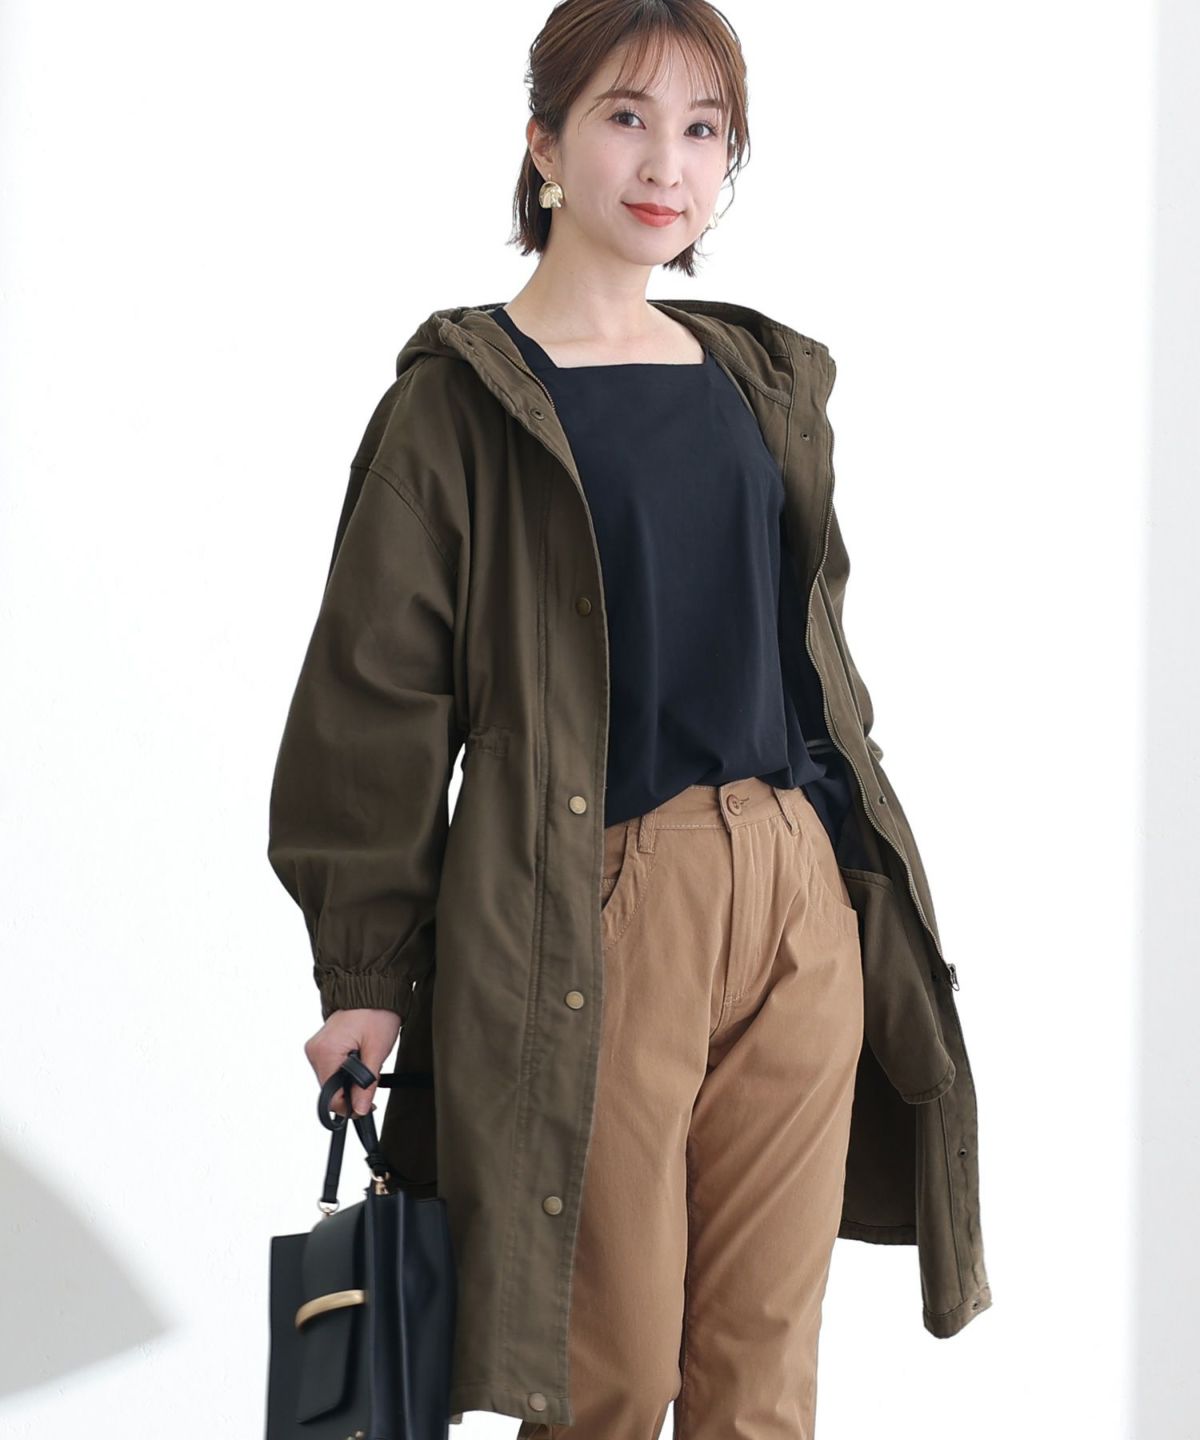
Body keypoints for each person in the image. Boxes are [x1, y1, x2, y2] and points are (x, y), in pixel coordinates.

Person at [267, 2, 991, 1436]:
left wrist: (838, 865)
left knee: (762, 1380)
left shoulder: (755, 384)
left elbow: (811, 655)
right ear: (543, 143)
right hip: (591, 911)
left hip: (794, 897)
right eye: (625, 117)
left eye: (704, 130)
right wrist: (364, 972)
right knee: (600, 1374)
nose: (669, 162)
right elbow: (375, 702)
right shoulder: (460, 407)